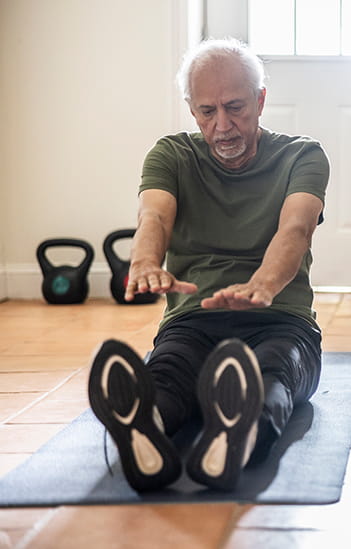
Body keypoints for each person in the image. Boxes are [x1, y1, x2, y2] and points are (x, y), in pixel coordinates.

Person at [87, 38, 329, 492]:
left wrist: (262, 284)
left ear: (260, 100)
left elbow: (296, 229)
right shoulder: (171, 155)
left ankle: (239, 430)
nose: (222, 126)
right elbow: (153, 215)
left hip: (280, 320)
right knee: (170, 371)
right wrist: (143, 261)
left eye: (235, 107)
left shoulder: (302, 155)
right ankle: (148, 427)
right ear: (191, 109)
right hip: (194, 318)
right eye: (206, 112)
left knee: (272, 376)